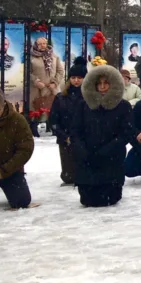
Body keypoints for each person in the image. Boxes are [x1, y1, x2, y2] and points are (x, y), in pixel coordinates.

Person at [71, 63, 135, 207]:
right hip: (87, 157)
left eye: (106, 83)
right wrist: (82, 150)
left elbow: (126, 132)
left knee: (109, 199)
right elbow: (75, 130)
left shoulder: (123, 106)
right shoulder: (83, 105)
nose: (102, 86)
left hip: (111, 158)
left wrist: (108, 150)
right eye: (99, 83)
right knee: (88, 200)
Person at [0, 85, 34, 209]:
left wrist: (3, 170)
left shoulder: (17, 120)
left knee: (21, 201)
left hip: (8, 168)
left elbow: (25, 149)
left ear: (3, 106)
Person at [49, 56, 88, 186]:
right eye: (73, 78)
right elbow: (53, 120)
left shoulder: (89, 97)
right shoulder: (61, 98)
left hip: (84, 138)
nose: (76, 81)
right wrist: (64, 136)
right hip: (65, 138)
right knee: (68, 177)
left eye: (79, 78)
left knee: (84, 172)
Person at [29, 36, 65, 134]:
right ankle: (34, 129)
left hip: (51, 88)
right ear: (36, 45)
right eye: (40, 44)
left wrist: (55, 82)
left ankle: (52, 127)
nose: (42, 46)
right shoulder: (31, 57)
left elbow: (60, 71)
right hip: (37, 88)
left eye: (44, 43)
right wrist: (36, 81)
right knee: (36, 108)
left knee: (53, 108)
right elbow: (28, 72)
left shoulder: (54, 56)